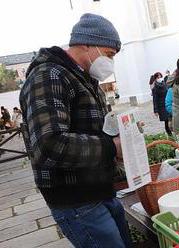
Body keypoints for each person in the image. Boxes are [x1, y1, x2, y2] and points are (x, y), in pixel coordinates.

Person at [19, 13, 131, 248]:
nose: (110, 62)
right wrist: (111, 147)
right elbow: (49, 144)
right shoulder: (49, 76)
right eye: (109, 54)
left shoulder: (84, 78)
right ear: (86, 43)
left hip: (98, 190)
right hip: (76, 199)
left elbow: (91, 131)